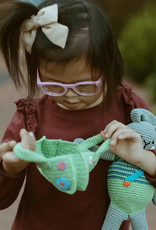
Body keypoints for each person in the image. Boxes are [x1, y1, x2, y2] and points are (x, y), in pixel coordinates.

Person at [0, 0, 156, 229]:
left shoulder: (130, 109)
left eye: (84, 86)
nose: (71, 96)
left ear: (109, 66)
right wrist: (9, 169)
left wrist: (141, 157)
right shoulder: (30, 119)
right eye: (53, 86)